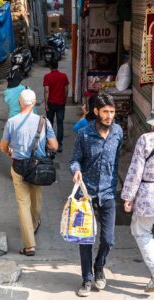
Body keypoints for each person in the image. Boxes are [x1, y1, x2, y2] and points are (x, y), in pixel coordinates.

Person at [70, 94, 123, 297]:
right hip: (86, 195)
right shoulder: (84, 134)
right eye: (105, 112)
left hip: (108, 193)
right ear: (96, 112)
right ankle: (87, 279)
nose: (109, 116)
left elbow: (117, 157)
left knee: (108, 239)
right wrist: (76, 170)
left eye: (112, 111)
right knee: (86, 239)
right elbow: (75, 160)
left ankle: (99, 266)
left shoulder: (118, 132)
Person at [0, 89, 58, 256]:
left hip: (18, 167)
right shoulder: (43, 121)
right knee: (37, 199)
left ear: (19, 103)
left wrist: (10, 150)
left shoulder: (11, 122)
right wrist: (43, 146)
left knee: (23, 204)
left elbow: (3, 147)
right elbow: (54, 146)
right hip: (38, 167)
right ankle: (34, 224)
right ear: (33, 103)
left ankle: (29, 245)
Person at [121, 121, 154, 293]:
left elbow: (136, 171)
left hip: (149, 195)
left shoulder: (146, 140)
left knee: (140, 231)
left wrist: (128, 196)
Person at [43, 58, 69, 153]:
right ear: (57, 65)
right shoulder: (63, 76)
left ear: (50, 67)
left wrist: (46, 104)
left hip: (51, 103)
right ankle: (59, 144)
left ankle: (50, 143)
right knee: (60, 124)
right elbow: (66, 90)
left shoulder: (47, 77)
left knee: (49, 124)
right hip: (60, 103)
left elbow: (46, 90)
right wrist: (64, 100)